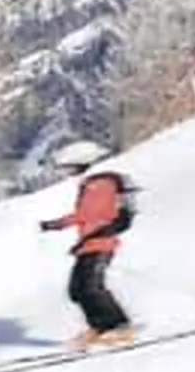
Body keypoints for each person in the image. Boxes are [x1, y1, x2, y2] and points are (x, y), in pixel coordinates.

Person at [37, 141, 137, 348]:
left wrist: (58, 224)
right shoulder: (91, 182)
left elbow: (89, 214)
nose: (68, 172)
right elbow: (86, 215)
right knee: (77, 289)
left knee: (91, 287)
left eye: (70, 167)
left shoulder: (99, 183)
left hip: (101, 241)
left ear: (83, 162)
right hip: (88, 244)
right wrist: (59, 225)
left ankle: (119, 326)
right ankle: (99, 326)